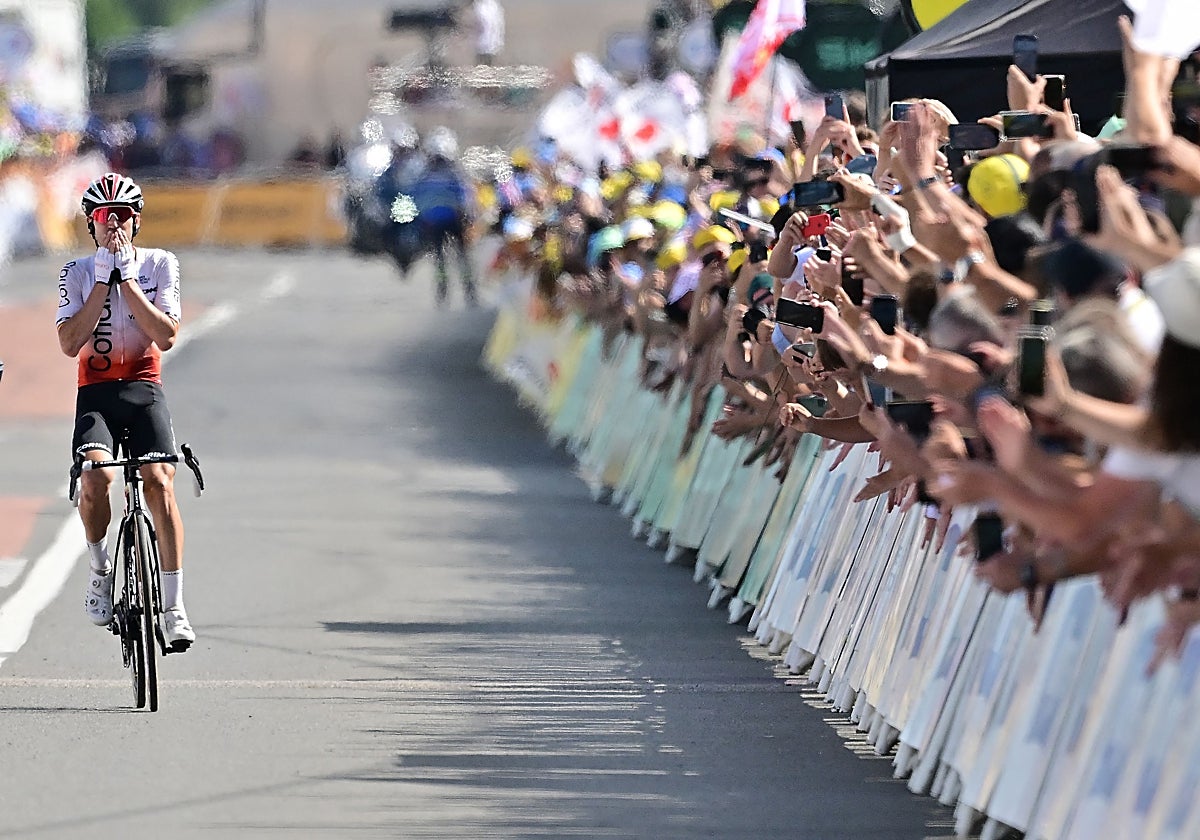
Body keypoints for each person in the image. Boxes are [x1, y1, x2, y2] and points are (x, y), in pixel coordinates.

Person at [55, 172, 195, 651]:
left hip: (143, 389)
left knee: (159, 481)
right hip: (96, 394)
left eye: (123, 216)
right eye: (103, 216)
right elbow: (69, 344)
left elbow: (166, 336)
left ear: (136, 222)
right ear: (90, 224)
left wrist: (127, 277)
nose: (113, 225)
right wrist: (100, 279)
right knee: (96, 480)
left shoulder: (160, 264)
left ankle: (174, 609)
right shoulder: (74, 273)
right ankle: (99, 570)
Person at [410, 127, 477, 306]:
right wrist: (469, 216)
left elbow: (416, 198)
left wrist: (422, 218)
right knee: (462, 256)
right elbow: (466, 196)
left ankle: (442, 292)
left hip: (433, 222)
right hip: (454, 219)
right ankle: (470, 291)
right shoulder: (454, 174)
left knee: (439, 257)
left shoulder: (423, 175)